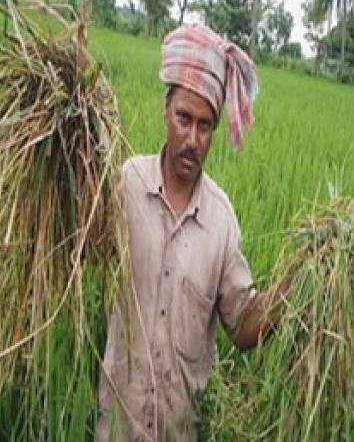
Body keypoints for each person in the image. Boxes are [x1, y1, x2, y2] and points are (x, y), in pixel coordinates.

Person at [96, 24, 291, 441]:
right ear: (165, 111)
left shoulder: (221, 221)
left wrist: (296, 288)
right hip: (113, 428)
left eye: (205, 126)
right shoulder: (125, 184)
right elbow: (81, 252)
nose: (192, 138)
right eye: (183, 118)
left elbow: (240, 326)